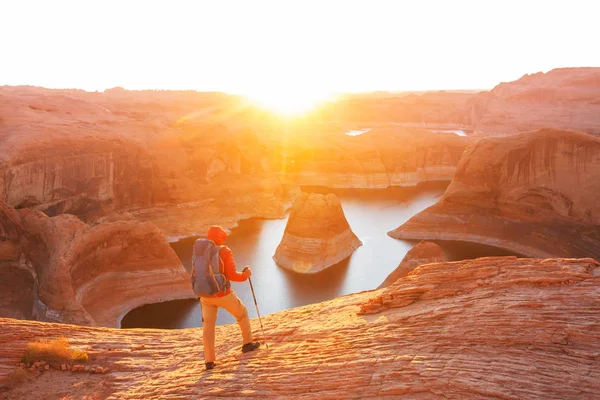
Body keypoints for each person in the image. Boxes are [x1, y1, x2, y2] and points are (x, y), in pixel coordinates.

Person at [199, 225, 260, 370]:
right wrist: (246, 275)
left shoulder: (200, 250)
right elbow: (232, 275)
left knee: (208, 327)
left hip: (205, 294)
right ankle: (247, 343)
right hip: (222, 294)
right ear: (221, 237)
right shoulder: (224, 251)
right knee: (242, 313)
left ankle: (209, 361)